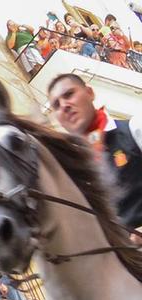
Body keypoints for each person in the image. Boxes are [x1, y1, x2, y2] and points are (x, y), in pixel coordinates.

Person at [47, 73, 142, 235]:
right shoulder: (72, 171)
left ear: (90, 93)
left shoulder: (135, 128)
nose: (64, 105)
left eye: (69, 94)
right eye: (56, 105)